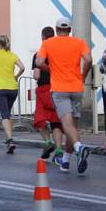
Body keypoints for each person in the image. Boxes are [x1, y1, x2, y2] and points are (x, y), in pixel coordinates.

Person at [35, 17, 93, 175]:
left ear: (56, 29)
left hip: (60, 89)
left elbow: (39, 62)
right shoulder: (79, 42)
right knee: (73, 126)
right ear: (69, 29)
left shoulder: (48, 43)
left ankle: (79, 147)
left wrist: (51, 69)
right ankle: (66, 161)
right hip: (77, 88)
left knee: (66, 124)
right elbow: (88, 59)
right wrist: (83, 75)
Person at [0, 34, 25, 154]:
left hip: (0, 88)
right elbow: (22, 67)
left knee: (4, 115)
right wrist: (15, 76)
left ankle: (10, 139)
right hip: (13, 88)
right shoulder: (13, 55)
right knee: (8, 114)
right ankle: (9, 142)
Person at [32, 27, 65, 164]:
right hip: (57, 89)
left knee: (39, 120)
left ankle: (47, 141)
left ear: (42, 38)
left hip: (43, 91)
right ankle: (58, 152)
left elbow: (36, 75)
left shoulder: (39, 54)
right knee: (56, 122)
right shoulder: (60, 54)